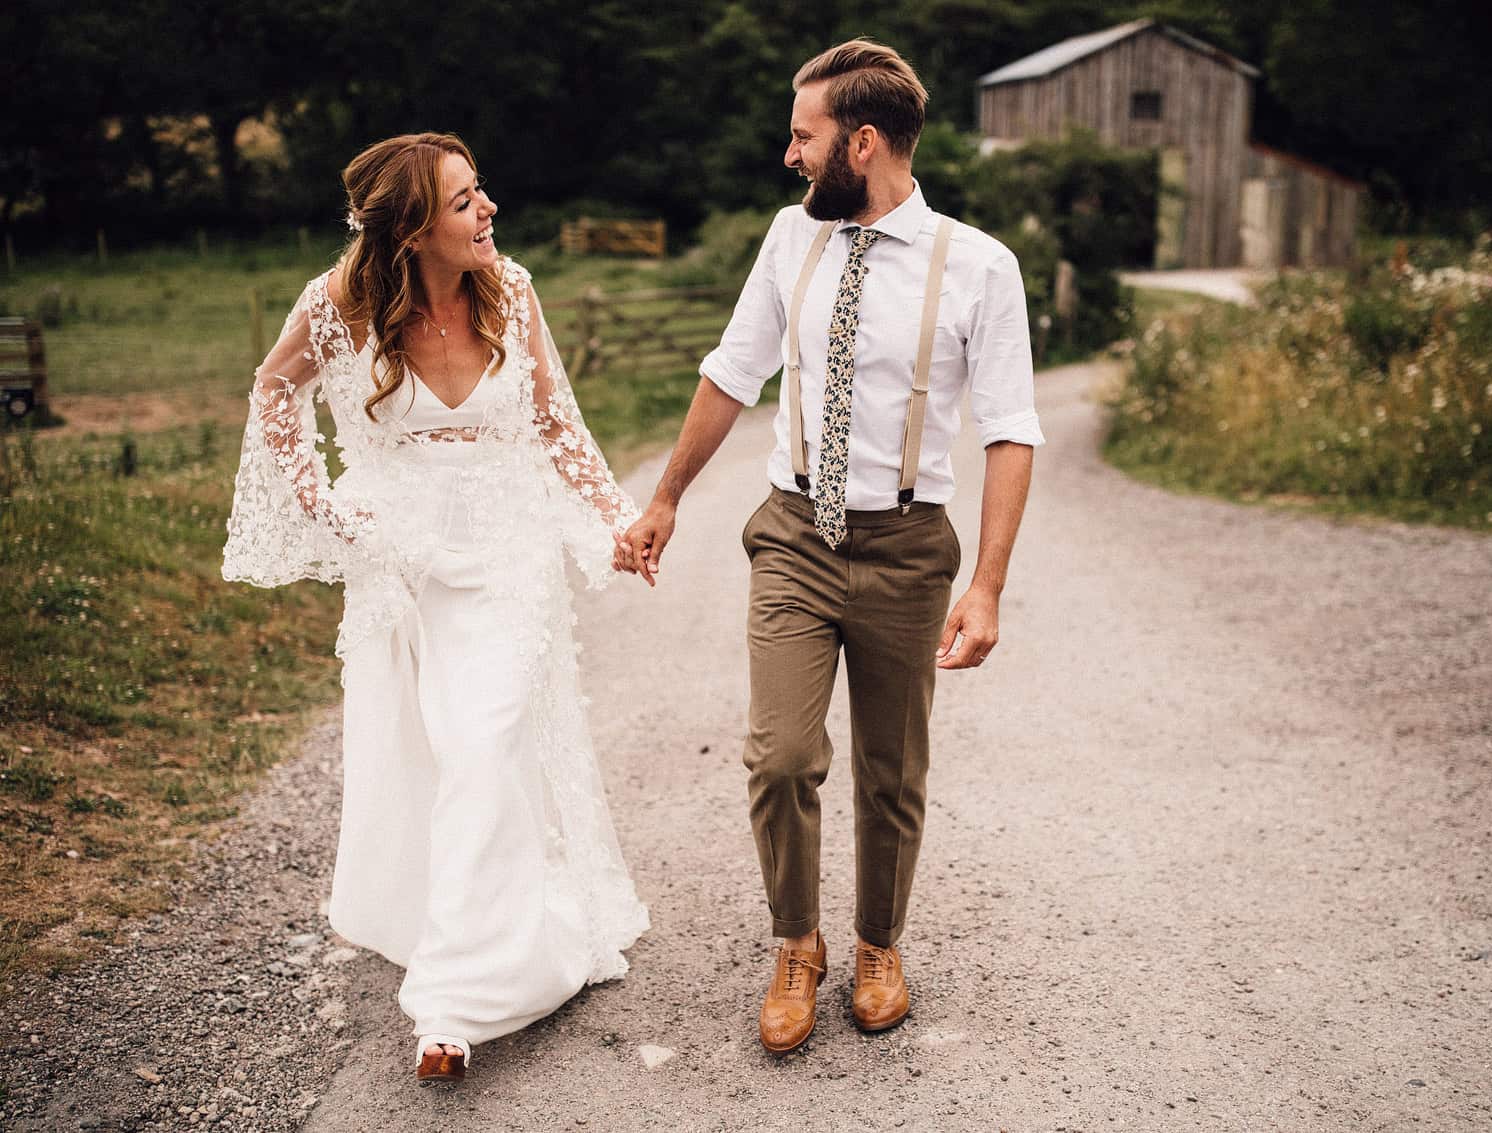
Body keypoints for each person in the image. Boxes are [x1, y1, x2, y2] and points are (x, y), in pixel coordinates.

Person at [616, 39, 1041, 1053]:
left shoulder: (980, 265)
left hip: (905, 547)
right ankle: (795, 942)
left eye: (802, 136)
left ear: (861, 141)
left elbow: (1009, 429)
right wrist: (666, 495)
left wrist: (984, 587)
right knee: (780, 756)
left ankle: (877, 941)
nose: (787, 155)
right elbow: (734, 370)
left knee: (891, 768)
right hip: (795, 534)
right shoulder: (784, 240)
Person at [223, 132, 647, 1083]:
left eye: (481, 191)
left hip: (507, 551)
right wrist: (317, 499)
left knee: (486, 739)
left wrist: (618, 517)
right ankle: (459, 915)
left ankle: (451, 1000)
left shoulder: (516, 291)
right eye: (464, 201)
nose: (488, 208)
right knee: (435, 750)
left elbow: (555, 423)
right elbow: (272, 391)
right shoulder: (336, 307)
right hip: (404, 558)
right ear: (412, 229)